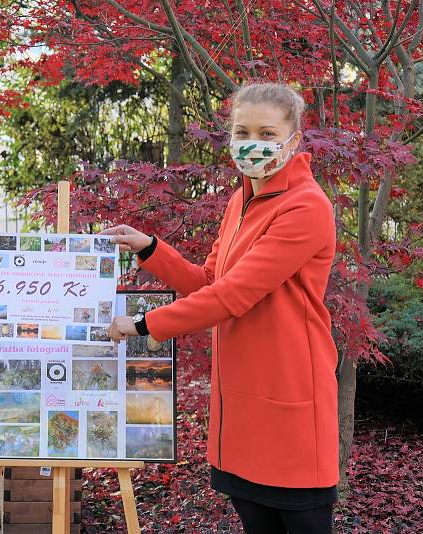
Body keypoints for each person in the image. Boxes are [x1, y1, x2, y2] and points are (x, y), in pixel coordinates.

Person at [104, 82, 338, 534]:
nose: (253, 144)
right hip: (241, 407)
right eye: (242, 131)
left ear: (294, 138)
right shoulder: (240, 200)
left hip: (290, 398)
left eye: (268, 134)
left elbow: (234, 296)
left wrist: (142, 324)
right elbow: (210, 282)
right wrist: (151, 248)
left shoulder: (307, 207)